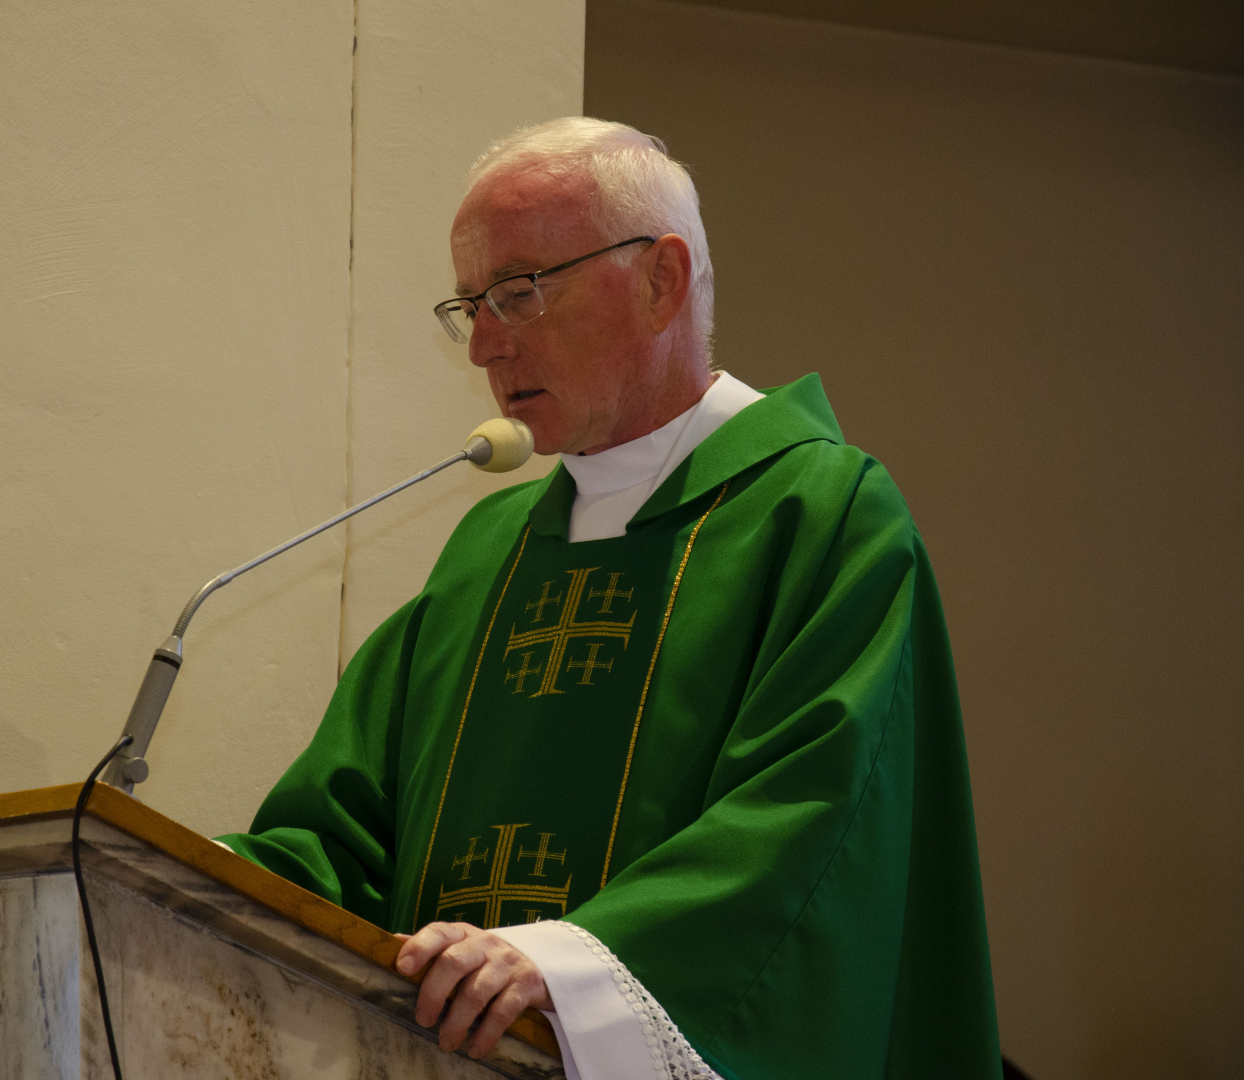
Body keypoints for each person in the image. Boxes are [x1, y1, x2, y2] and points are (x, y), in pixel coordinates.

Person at [216, 117, 1000, 1080]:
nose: (484, 346)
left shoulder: (822, 514)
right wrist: (169, 879)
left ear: (661, 279)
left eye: (519, 292)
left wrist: (563, 967)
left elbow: (812, 829)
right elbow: (342, 835)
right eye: (470, 306)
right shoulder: (488, 551)